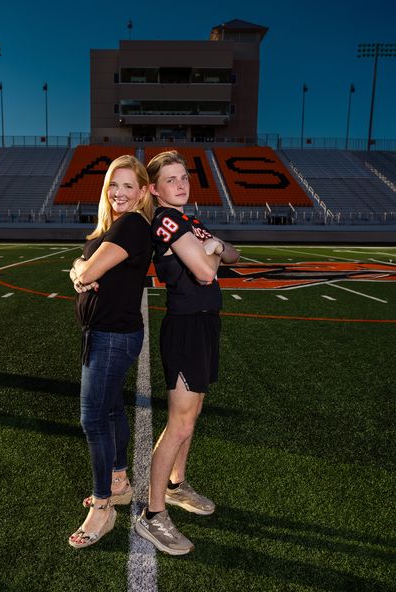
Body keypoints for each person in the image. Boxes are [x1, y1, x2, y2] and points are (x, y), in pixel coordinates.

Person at [135, 150, 239, 555]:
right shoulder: (166, 219)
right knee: (179, 424)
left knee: (191, 417)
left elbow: (234, 255)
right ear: (155, 189)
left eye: (184, 178)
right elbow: (207, 271)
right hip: (185, 328)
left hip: (205, 323)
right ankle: (153, 514)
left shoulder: (190, 220)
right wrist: (212, 248)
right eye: (171, 180)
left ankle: (176, 486)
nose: (181, 184)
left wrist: (214, 244)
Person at [68, 154, 153, 549]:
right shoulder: (113, 226)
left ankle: (102, 508)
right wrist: (82, 272)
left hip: (112, 336)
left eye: (128, 186)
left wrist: (83, 273)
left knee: (93, 419)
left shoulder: (133, 224)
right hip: (104, 334)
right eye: (113, 185)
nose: (119, 193)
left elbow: (85, 271)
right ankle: (119, 481)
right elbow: (81, 267)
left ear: (142, 193)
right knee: (112, 409)